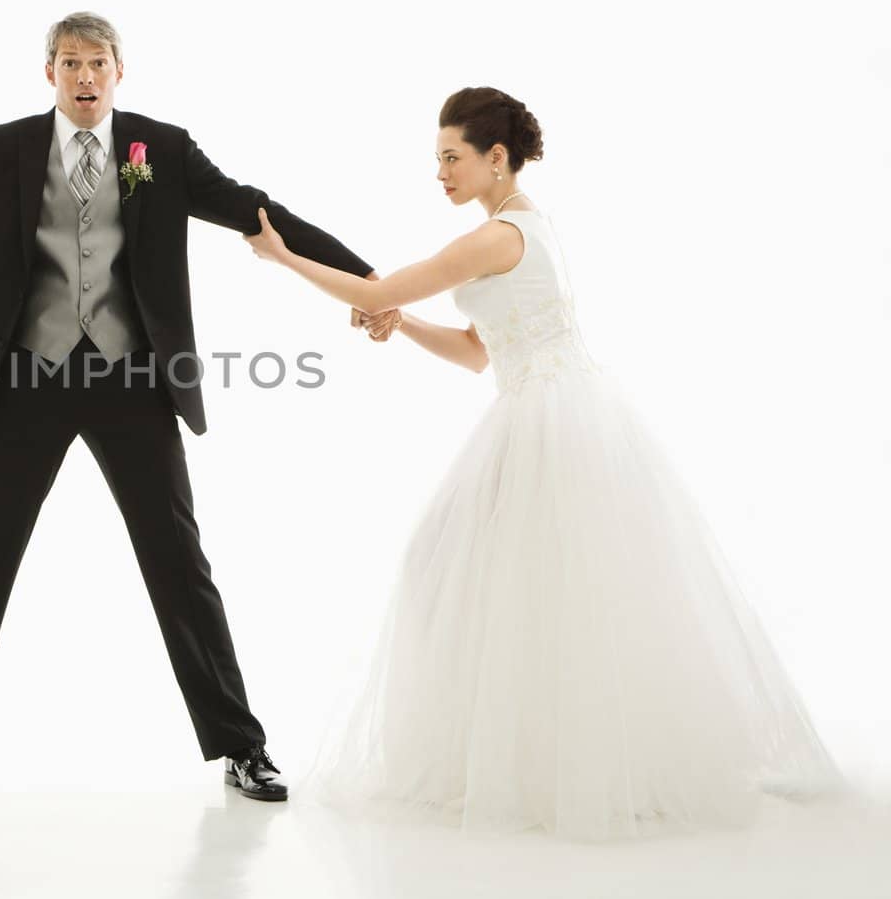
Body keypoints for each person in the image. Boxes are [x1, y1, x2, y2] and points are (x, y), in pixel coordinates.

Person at [0, 12, 396, 804]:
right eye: (69, 62)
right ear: (49, 74)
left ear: (119, 70)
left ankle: (244, 746)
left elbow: (256, 212)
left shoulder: (159, 150)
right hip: (24, 379)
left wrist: (371, 285)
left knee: (179, 561)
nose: (84, 76)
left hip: (133, 381)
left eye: (97, 62)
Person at [243, 87, 840, 838]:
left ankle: (564, 765)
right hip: (536, 407)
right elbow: (475, 352)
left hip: (552, 422)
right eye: (436, 160)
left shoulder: (498, 236)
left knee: (540, 586)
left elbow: (372, 288)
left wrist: (283, 257)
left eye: (452, 158)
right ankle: (518, 752)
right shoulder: (517, 229)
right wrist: (406, 323)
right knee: (479, 573)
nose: (441, 172)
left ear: (497, 159)